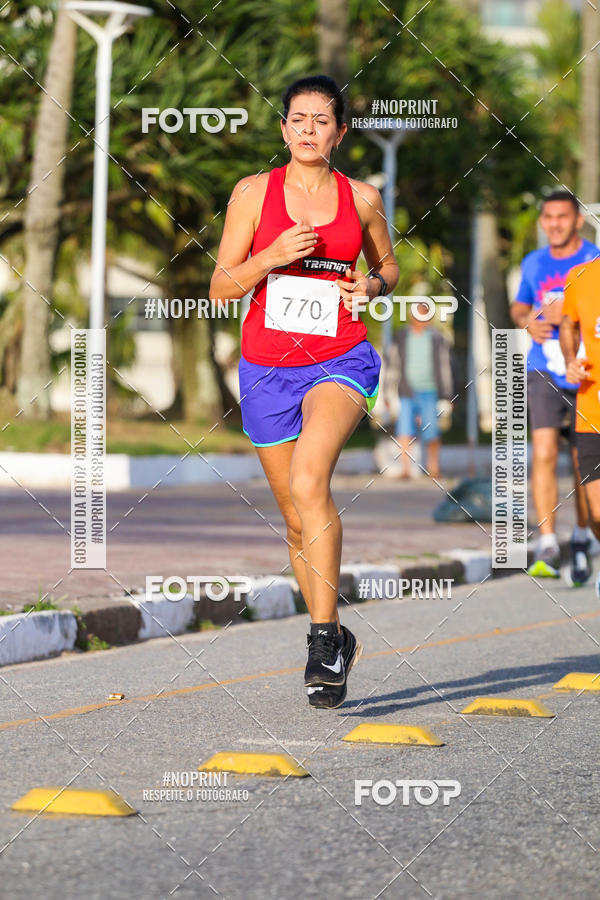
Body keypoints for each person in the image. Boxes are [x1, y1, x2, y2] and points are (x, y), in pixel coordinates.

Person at [209, 75, 399, 708]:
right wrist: (271, 256)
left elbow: (389, 266)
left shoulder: (362, 198)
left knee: (310, 480)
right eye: (298, 119)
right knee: (295, 519)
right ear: (284, 128)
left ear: (339, 132)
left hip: (339, 357)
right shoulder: (252, 194)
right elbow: (221, 288)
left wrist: (372, 287)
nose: (309, 129)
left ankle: (320, 643)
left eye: (322, 120)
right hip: (267, 369)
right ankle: (337, 634)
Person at [510, 190, 598, 582]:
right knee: (543, 451)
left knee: (582, 461)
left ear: (577, 220)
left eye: (562, 217)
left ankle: (582, 534)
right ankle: (547, 541)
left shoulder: (593, 259)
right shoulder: (533, 262)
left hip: (586, 372)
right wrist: (526, 319)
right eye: (548, 217)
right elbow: (520, 305)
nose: (555, 224)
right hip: (543, 368)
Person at [561, 258, 600, 596]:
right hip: (592, 410)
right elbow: (568, 325)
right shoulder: (581, 276)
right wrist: (570, 360)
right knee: (597, 512)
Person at [391, 301, 455, 479]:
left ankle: (433, 468)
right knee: (404, 430)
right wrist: (389, 393)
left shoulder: (437, 338)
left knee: (432, 430)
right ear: (412, 317)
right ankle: (405, 469)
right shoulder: (402, 336)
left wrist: (448, 394)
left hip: (430, 390)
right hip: (406, 390)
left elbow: (445, 366)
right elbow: (393, 364)